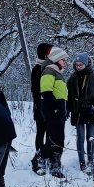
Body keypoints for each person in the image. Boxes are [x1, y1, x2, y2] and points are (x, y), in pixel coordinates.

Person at [67, 52, 94, 172]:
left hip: (91, 111)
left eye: (81, 65)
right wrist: (68, 109)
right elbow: (69, 97)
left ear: (86, 64)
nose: (78, 67)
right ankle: (82, 162)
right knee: (80, 137)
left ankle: (91, 160)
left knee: (90, 137)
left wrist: (92, 104)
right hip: (77, 112)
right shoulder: (72, 78)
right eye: (76, 64)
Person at [38, 46, 69, 178]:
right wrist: (55, 107)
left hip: (59, 108)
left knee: (58, 137)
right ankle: (48, 162)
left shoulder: (57, 72)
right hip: (53, 109)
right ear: (56, 59)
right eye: (63, 60)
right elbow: (46, 91)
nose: (65, 63)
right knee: (55, 138)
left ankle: (51, 161)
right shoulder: (49, 71)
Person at [30, 42, 53, 173]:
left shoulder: (50, 67)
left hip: (49, 107)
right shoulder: (38, 68)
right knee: (41, 133)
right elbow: (35, 90)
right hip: (40, 107)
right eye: (49, 51)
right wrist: (40, 106)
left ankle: (47, 156)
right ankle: (39, 158)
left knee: (50, 134)